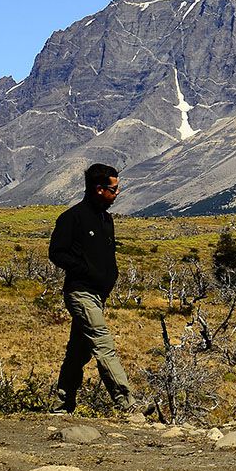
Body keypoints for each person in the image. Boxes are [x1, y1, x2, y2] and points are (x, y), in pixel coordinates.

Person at [48, 163, 137, 414]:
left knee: (78, 351)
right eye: (114, 189)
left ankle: (62, 404)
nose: (118, 193)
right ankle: (127, 403)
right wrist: (85, 270)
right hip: (80, 292)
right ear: (99, 189)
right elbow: (56, 253)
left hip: (98, 294)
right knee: (103, 344)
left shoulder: (106, 218)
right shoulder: (72, 218)